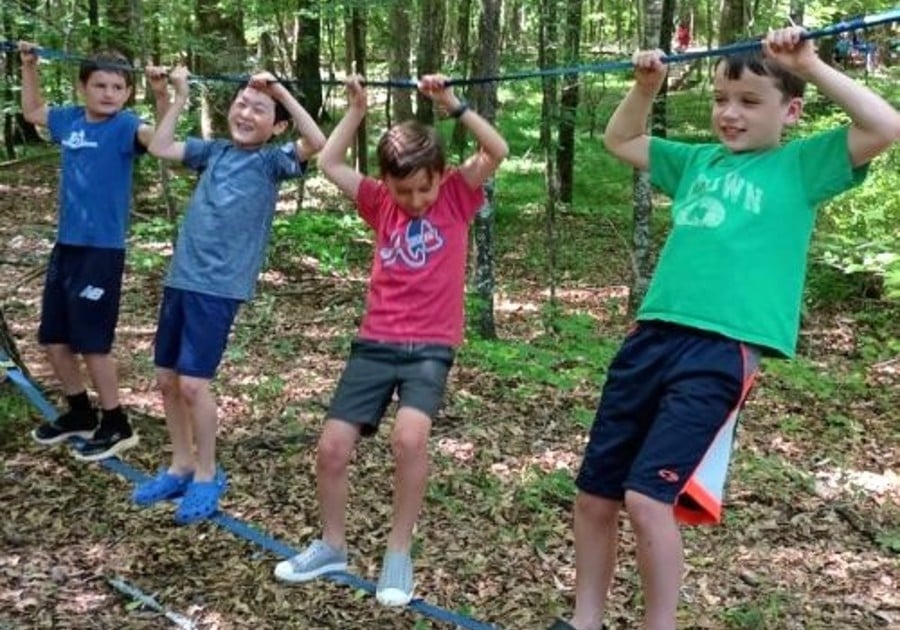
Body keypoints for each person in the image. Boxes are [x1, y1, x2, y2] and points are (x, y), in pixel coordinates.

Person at [550, 27, 900, 630]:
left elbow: (885, 127)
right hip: (650, 338)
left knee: (646, 497)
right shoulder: (695, 161)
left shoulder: (801, 166)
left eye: (749, 102)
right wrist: (645, 86)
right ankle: (585, 622)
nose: (729, 114)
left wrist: (810, 64)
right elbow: (621, 137)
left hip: (721, 350)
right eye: (720, 100)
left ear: (790, 111)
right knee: (594, 495)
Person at [273, 75, 508, 606]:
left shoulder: (455, 196)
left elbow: (497, 148)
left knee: (409, 439)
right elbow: (331, 164)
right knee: (332, 448)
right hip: (376, 341)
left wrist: (453, 106)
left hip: (429, 347)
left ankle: (398, 552)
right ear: (386, 181)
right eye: (405, 190)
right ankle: (332, 544)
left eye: (424, 187)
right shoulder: (380, 203)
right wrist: (355, 111)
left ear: (440, 177)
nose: (417, 200)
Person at [131, 65, 325, 525]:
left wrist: (281, 91)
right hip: (182, 278)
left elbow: (317, 142)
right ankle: (180, 465)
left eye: (259, 108)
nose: (245, 111)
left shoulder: (271, 162)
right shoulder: (212, 152)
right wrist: (172, 94)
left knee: (195, 383)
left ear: (276, 125)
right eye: (241, 102)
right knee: (166, 378)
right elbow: (158, 146)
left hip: (218, 288)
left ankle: (207, 473)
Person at [20, 42, 169, 461]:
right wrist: (29, 67)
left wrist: (162, 97)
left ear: (127, 93)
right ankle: (80, 413)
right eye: (100, 84)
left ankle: (116, 421)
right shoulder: (68, 120)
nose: (108, 93)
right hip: (66, 246)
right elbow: (33, 112)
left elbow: (160, 143)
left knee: (93, 342)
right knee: (53, 337)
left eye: (117, 86)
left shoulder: (126, 126)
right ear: (83, 86)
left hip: (101, 251)